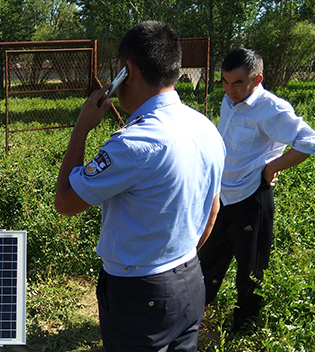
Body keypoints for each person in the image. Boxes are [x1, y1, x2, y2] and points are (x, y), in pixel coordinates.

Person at [54, 20, 226, 351]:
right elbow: (213, 207)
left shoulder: (133, 144)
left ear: (127, 71)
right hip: (189, 278)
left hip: (140, 292)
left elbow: (65, 202)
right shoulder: (205, 128)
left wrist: (81, 128)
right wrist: (182, 259)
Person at [198, 47, 315, 333]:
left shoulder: (271, 109)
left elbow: (309, 142)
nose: (230, 90)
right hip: (222, 195)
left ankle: (244, 328)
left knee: (251, 268)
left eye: (238, 83)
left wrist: (272, 167)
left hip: (251, 198)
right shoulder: (229, 102)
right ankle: (194, 313)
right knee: (210, 260)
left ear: (257, 79)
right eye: (225, 82)